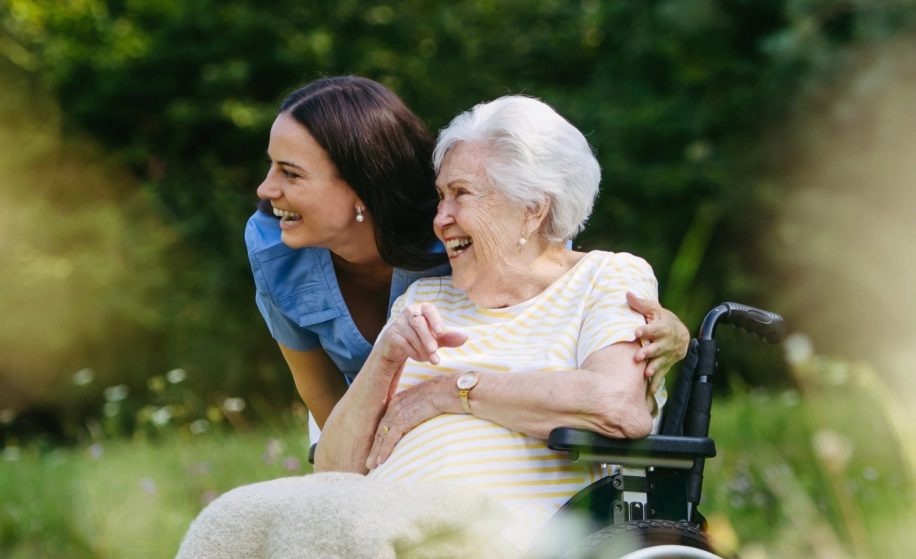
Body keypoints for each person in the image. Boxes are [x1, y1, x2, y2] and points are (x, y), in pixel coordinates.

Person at [178, 94, 673, 559]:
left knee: (342, 529)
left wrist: (451, 391)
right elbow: (332, 474)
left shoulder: (606, 278)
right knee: (232, 521)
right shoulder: (425, 294)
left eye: (460, 194)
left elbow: (617, 406)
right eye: (440, 197)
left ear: (532, 208)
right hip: (385, 514)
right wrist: (385, 359)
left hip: (499, 526)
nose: (440, 219)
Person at [246, 77, 687, 444]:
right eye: (272, 166)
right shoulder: (273, 246)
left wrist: (671, 332)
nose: (265, 190)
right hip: (358, 415)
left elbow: (555, 268)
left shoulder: (457, 232)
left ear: (361, 185)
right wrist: (358, 468)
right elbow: (318, 387)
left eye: (291, 173)